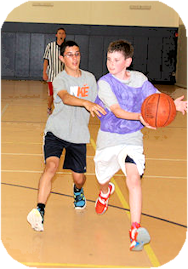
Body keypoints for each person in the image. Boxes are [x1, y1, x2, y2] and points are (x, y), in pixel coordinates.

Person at [94, 40, 188, 251]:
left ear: (128, 61)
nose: (111, 64)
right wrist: (142, 116)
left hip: (132, 138)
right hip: (109, 138)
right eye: (109, 59)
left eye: (116, 60)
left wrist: (173, 104)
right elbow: (117, 111)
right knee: (102, 178)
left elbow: (156, 99)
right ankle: (105, 190)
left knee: (133, 179)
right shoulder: (104, 83)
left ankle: (135, 230)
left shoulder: (139, 80)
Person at [27, 40, 106, 232]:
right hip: (56, 131)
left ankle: (78, 191)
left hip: (79, 135)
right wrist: (86, 103)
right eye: (69, 55)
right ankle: (40, 211)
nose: (74, 58)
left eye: (77, 54)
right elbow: (66, 98)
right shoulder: (60, 79)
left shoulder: (89, 78)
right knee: (51, 166)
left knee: (79, 178)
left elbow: (100, 101)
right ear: (62, 58)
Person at [43, 27, 66, 115]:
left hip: (63, 75)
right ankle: (49, 107)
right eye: (59, 33)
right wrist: (44, 72)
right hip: (52, 75)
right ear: (56, 35)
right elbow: (46, 60)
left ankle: (61, 110)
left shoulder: (67, 47)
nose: (61, 35)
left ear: (65, 35)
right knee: (51, 94)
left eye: (63, 33)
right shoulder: (50, 46)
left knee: (63, 93)